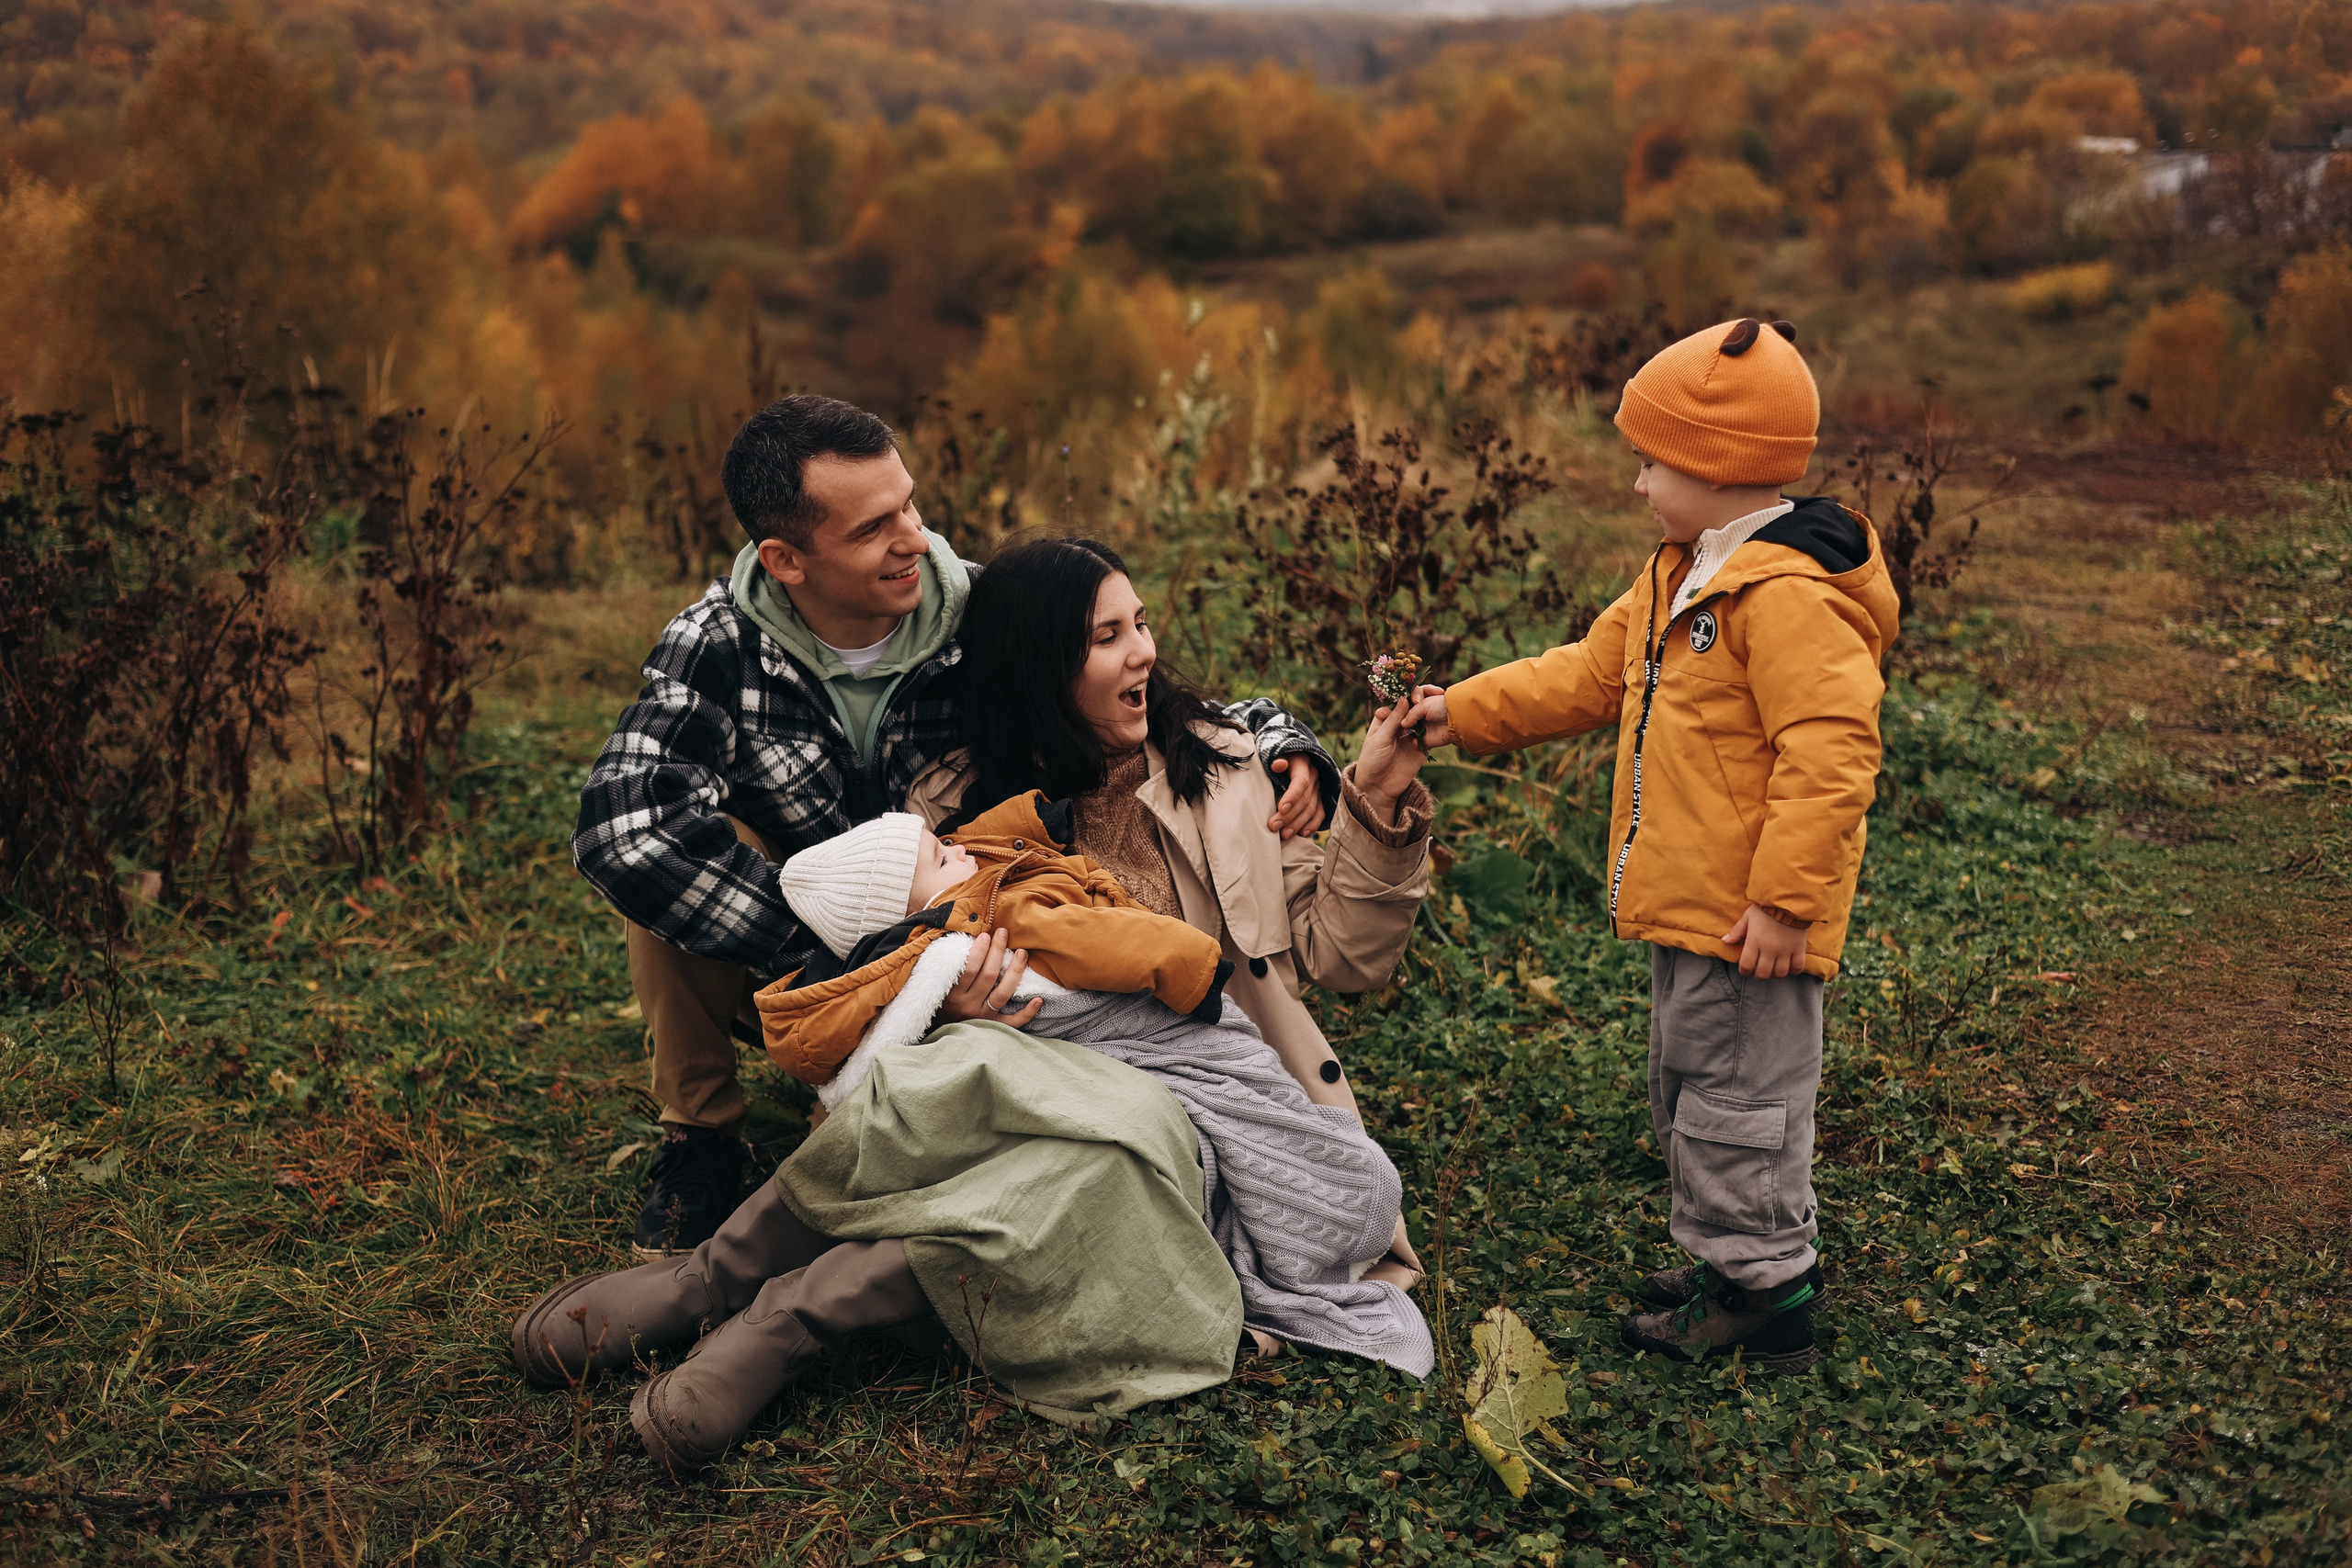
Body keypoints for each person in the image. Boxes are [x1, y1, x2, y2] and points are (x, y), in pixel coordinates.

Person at [572, 396, 1337, 1258]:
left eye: (910, 503)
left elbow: (1157, 703)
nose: (913, 539)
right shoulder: (717, 644)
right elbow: (620, 828)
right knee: (665, 857)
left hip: (975, 927)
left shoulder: (975, 611)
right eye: (872, 528)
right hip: (805, 948)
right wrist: (857, 961)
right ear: (785, 557)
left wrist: (1281, 739)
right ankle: (701, 1134)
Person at [1403, 317, 1898, 1374]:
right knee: (1694, 1084)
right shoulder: (1680, 573)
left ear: (1715, 467)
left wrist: (1783, 900)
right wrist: (1462, 713)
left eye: (1649, 461)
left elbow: (1833, 751)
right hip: (1694, 900)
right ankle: (1737, 1260)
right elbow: (1587, 674)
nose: (1635, 484)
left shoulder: (1785, 598)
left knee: (1738, 1101)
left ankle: (1765, 1296)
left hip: (1747, 918)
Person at [757, 796, 1235, 1094]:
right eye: (943, 859)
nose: (959, 850)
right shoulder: (992, 914)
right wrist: (1193, 969)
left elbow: (974, 838)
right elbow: (1098, 940)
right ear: (915, 909)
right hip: (1131, 1018)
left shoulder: (946, 883)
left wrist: (1036, 819)